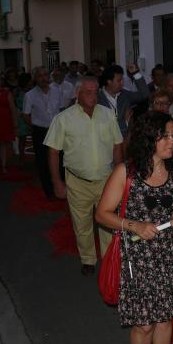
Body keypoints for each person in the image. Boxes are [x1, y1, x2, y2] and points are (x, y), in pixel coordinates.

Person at [96, 111, 173, 344]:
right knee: (144, 325)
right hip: (137, 258)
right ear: (148, 138)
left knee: (164, 318)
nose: (172, 141)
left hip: (166, 254)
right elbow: (102, 214)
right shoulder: (125, 173)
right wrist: (134, 225)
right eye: (165, 135)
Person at [44, 76, 123, 276]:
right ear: (77, 94)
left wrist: (119, 174)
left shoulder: (107, 114)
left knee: (108, 222)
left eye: (95, 91)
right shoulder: (63, 119)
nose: (92, 96)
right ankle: (88, 259)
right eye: (87, 92)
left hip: (106, 180)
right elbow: (53, 151)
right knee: (82, 223)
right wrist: (57, 182)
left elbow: (117, 144)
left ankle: (108, 260)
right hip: (77, 181)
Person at [22, 68, 64, 197]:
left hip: (57, 130)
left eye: (45, 75)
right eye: (40, 76)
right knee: (43, 161)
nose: (43, 78)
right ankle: (49, 191)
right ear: (35, 78)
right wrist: (36, 126)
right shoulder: (29, 95)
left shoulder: (57, 90)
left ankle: (62, 188)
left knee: (61, 159)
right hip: (40, 131)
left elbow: (61, 109)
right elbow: (26, 115)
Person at [97, 64, 149, 137]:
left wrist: (135, 73)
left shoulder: (124, 95)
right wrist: (125, 122)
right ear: (109, 82)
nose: (122, 83)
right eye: (119, 81)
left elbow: (144, 94)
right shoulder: (97, 99)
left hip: (125, 143)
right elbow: (103, 127)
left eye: (122, 80)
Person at [14, 73, 32, 165]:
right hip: (22, 116)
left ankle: (23, 158)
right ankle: (21, 158)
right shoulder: (18, 91)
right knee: (22, 139)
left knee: (25, 139)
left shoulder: (29, 91)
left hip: (28, 115)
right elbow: (15, 105)